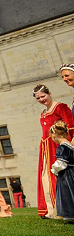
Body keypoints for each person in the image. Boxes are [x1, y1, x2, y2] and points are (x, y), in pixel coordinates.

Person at [34, 84, 74, 219]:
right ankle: (49, 209)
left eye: (43, 96)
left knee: (57, 174)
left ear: (49, 93)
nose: (41, 99)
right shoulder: (44, 112)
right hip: (45, 146)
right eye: (38, 98)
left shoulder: (60, 107)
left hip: (56, 144)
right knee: (45, 176)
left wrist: (68, 143)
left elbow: (70, 126)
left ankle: (61, 210)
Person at [50, 120, 74, 222]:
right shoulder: (71, 146)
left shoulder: (62, 147)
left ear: (54, 135)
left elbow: (61, 163)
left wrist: (54, 170)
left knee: (67, 193)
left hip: (66, 174)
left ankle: (70, 214)